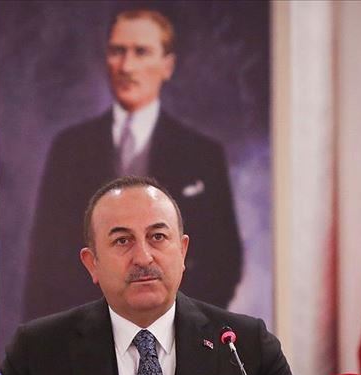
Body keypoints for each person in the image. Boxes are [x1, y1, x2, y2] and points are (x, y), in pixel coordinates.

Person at [4, 176, 309, 375]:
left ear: (183, 251)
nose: (143, 257)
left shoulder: (245, 344)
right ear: (92, 263)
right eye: (122, 240)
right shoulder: (38, 349)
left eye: (158, 237)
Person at [22, 8, 243, 323]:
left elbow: (224, 264)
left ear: (167, 65)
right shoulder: (69, 148)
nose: (126, 66)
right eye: (117, 51)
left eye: (141, 52)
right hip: (84, 335)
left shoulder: (203, 155)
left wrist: (168, 324)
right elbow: (45, 263)